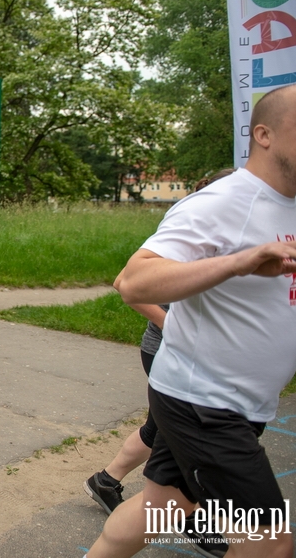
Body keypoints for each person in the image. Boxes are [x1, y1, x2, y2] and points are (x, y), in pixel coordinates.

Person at [85, 83, 296, 558]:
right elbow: (133, 282)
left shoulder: (295, 204)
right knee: (271, 544)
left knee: (161, 507)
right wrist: (239, 261)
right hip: (205, 403)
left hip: (239, 403)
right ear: (264, 135)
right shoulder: (223, 202)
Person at [84, 169, 238, 517]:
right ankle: (195, 515)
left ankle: (107, 481)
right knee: (187, 437)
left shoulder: (228, 239)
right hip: (166, 351)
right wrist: (169, 324)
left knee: (161, 431)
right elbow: (123, 282)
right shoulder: (190, 237)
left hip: (194, 356)